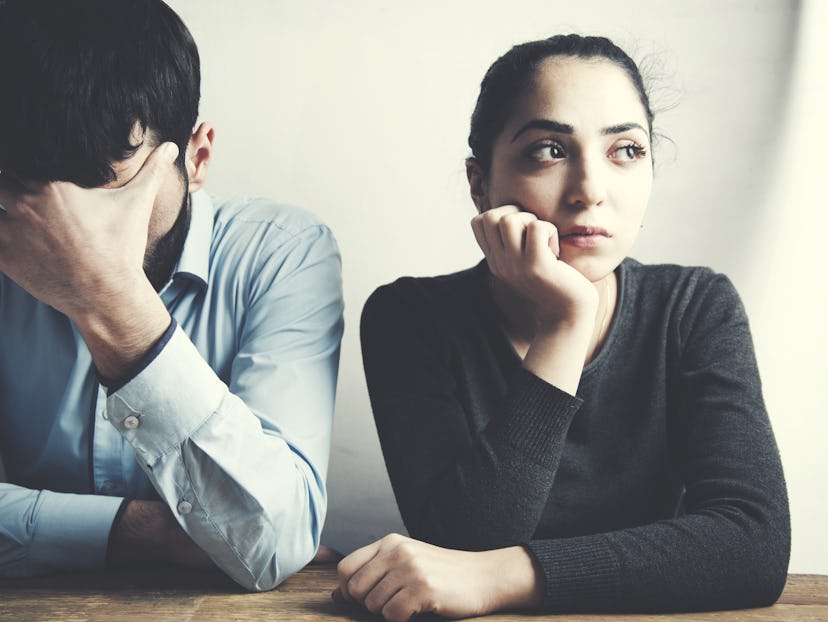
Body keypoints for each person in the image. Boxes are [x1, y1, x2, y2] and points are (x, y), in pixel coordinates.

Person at [335, 34, 790, 620]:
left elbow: (752, 547)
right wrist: (566, 325)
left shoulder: (695, 307)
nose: (590, 192)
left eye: (625, 150)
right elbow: (462, 546)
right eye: (549, 150)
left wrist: (504, 576)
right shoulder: (410, 319)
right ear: (480, 185)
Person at [0, 0, 344, 591]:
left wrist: (113, 305)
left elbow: (272, 539)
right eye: (37, 193)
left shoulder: (280, 252)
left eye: (100, 183)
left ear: (197, 155)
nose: (68, 230)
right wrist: (145, 530)